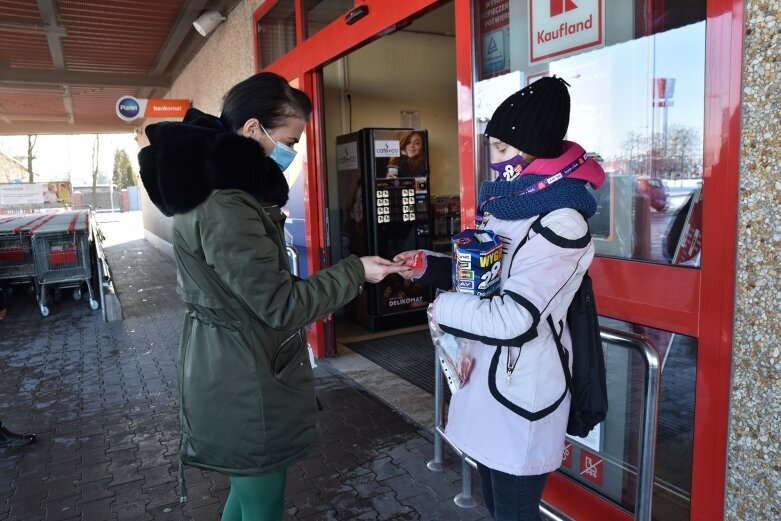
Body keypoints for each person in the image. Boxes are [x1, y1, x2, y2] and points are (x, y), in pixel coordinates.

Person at [138, 72, 405, 521]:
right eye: (289, 140)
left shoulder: (219, 191)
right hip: (244, 376)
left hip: (232, 364)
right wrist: (355, 270)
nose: (293, 152)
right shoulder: (226, 204)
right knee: (261, 502)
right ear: (251, 130)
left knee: (245, 498)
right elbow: (279, 305)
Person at [394, 77, 605, 520]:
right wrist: (427, 266)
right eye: (493, 147)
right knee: (495, 504)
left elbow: (516, 317)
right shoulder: (510, 205)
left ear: (536, 155)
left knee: (513, 510)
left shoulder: (563, 222)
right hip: (485, 376)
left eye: (505, 151)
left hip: (521, 390)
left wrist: (440, 309)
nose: (494, 161)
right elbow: (488, 274)